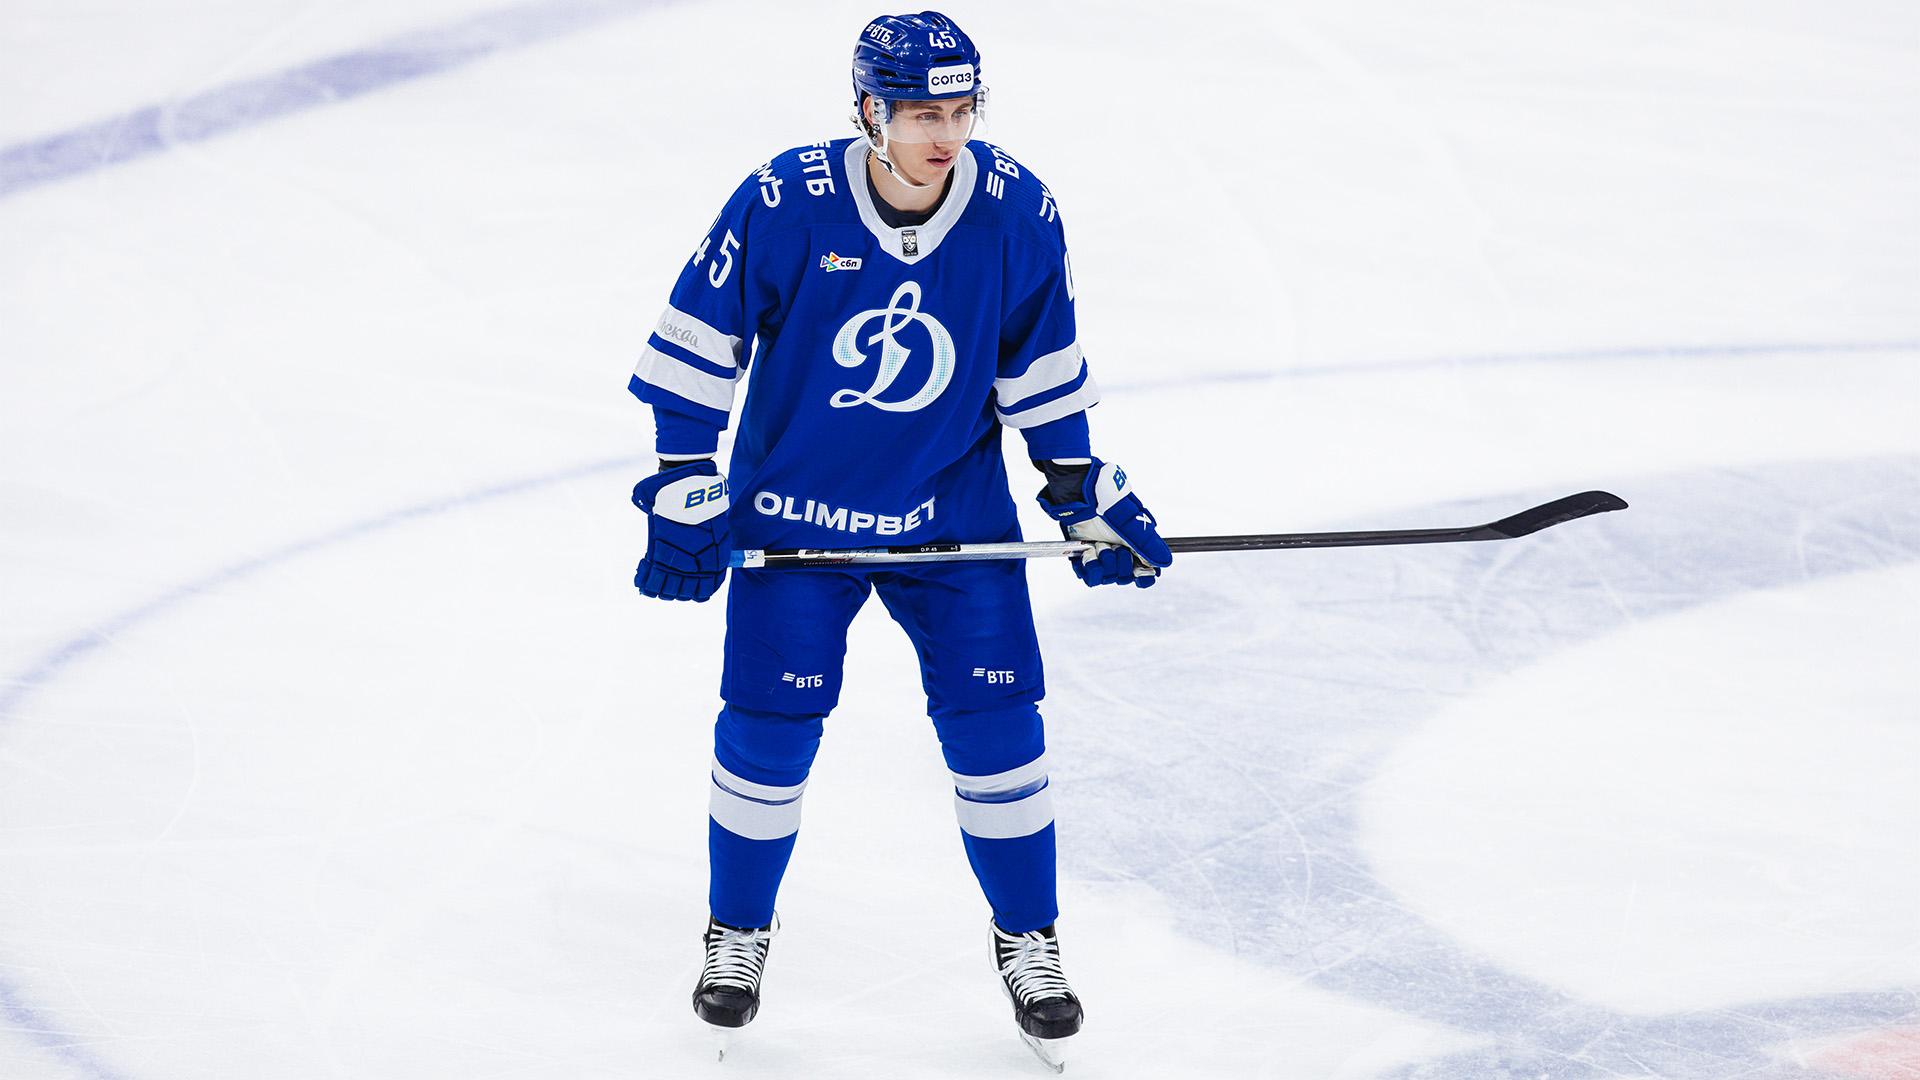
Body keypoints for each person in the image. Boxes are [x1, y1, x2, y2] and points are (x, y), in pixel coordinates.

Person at [625, 10, 1170, 1068]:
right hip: (798, 520)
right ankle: (738, 933)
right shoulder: (784, 202)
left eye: (962, 111)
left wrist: (1077, 490)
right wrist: (683, 480)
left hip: (952, 522)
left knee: (1000, 731)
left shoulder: (1015, 211)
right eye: (923, 113)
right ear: (869, 109)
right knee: (769, 730)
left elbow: (1039, 365)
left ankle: (1031, 941)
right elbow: (699, 341)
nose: (946, 134)